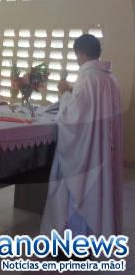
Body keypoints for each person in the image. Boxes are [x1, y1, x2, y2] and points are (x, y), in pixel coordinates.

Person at [42, 34, 123, 237]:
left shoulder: (87, 78)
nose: (77, 59)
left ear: (80, 52)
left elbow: (73, 117)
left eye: (76, 55)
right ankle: (90, 235)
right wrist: (72, 90)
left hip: (85, 152)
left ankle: (73, 241)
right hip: (102, 148)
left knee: (77, 193)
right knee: (96, 190)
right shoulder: (109, 78)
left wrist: (64, 93)